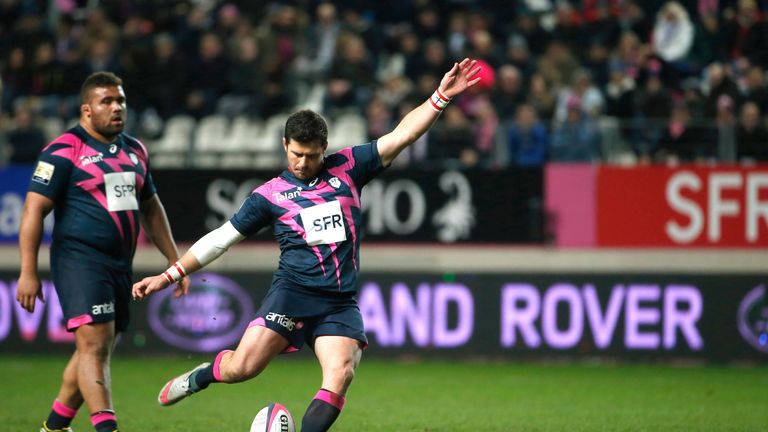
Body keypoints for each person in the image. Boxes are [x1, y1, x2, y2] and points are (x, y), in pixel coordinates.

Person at [132, 58, 481, 432]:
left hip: (337, 300)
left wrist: (440, 97)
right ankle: (203, 376)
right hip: (291, 294)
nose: (302, 162)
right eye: (296, 153)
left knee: (341, 373)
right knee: (242, 369)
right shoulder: (269, 196)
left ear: (324, 148)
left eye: (311, 155)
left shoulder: (349, 166)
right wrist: (170, 274)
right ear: (285, 145)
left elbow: (401, 136)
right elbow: (221, 239)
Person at [16, 71, 189, 432]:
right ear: (86, 110)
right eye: (106, 101)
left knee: (94, 348)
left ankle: (54, 426)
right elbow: (33, 209)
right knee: (95, 344)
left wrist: (175, 260)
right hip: (79, 259)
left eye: (120, 101)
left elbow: (152, 208)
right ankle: (106, 428)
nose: (116, 108)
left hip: (119, 264)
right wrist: (27, 271)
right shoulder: (63, 150)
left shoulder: (135, 150)